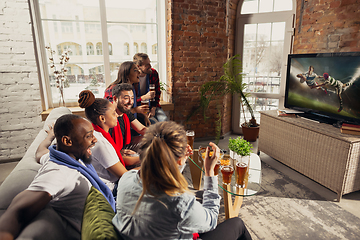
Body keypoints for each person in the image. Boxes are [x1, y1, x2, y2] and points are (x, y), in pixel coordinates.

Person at [112, 121, 252, 240]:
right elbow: (211, 220)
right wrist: (209, 173)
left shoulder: (126, 179)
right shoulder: (178, 202)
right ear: (178, 159)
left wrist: (179, 162)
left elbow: (162, 175)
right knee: (237, 224)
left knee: (202, 195)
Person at [0, 114, 115, 239]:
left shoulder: (61, 156)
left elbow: (40, 153)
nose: (95, 140)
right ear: (67, 141)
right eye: (88, 136)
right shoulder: (58, 171)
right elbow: (17, 211)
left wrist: (50, 136)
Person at [133, 53, 168, 124]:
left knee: (164, 121)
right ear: (138, 66)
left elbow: (157, 92)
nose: (150, 66)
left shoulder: (153, 73)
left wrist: (153, 108)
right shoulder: (133, 77)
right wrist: (144, 97)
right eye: (146, 65)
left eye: (149, 63)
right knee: (152, 123)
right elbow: (131, 101)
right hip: (138, 108)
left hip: (152, 105)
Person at [112, 83, 147, 153]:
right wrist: (119, 152)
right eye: (126, 98)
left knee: (151, 140)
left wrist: (159, 135)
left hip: (124, 147)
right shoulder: (108, 116)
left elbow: (141, 129)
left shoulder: (126, 112)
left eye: (132, 98)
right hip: (112, 152)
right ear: (115, 99)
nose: (131, 102)